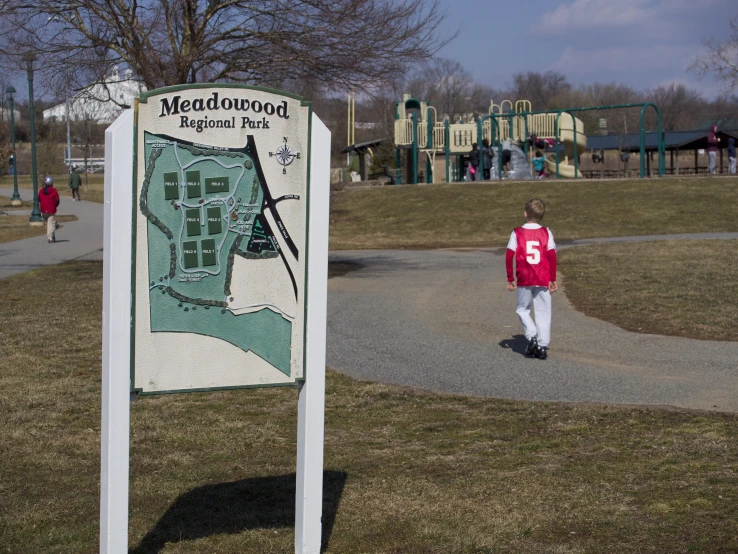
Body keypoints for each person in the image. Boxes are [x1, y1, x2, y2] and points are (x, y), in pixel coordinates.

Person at [506, 198, 557, 360]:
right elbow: (552, 255)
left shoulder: (517, 232)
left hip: (524, 276)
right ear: (541, 216)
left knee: (522, 309)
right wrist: (552, 278)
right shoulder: (546, 232)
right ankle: (542, 346)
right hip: (542, 277)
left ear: (525, 214)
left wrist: (510, 277)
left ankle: (532, 334)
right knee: (544, 311)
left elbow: (509, 255)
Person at [39, 176, 60, 243]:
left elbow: (39, 199)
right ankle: (50, 237)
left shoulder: (41, 191)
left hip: (43, 210)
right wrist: (55, 205)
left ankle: (52, 235)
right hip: (51, 210)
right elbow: (57, 200)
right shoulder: (54, 191)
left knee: (49, 223)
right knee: (51, 223)